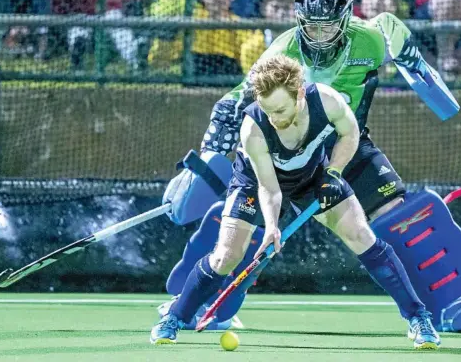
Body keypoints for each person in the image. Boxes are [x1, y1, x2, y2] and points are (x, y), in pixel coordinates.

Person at [162, 0, 461, 334]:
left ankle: (451, 300)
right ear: (300, 19)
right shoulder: (282, 49)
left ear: (346, 18)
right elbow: (237, 100)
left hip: (343, 143)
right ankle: (201, 303)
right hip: (282, 151)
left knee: (399, 212)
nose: (320, 36)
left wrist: (410, 55)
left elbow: (395, 41)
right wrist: (210, 152)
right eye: (312, 26)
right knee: (242, 233)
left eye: (329, 26)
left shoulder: (370, 40)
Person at [151, 55, 440, 350]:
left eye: (280, 109)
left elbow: (350, 133)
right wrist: (273, 227)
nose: (274, 119)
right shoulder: (253, 129)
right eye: (267, 110)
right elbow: (270, 188)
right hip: (255, 183)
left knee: (361, 235)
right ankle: (174, 318)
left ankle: (419, 319)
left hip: (312, 175)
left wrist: (334, 173)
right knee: (226, 256)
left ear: (300, 93)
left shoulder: (327, 101)